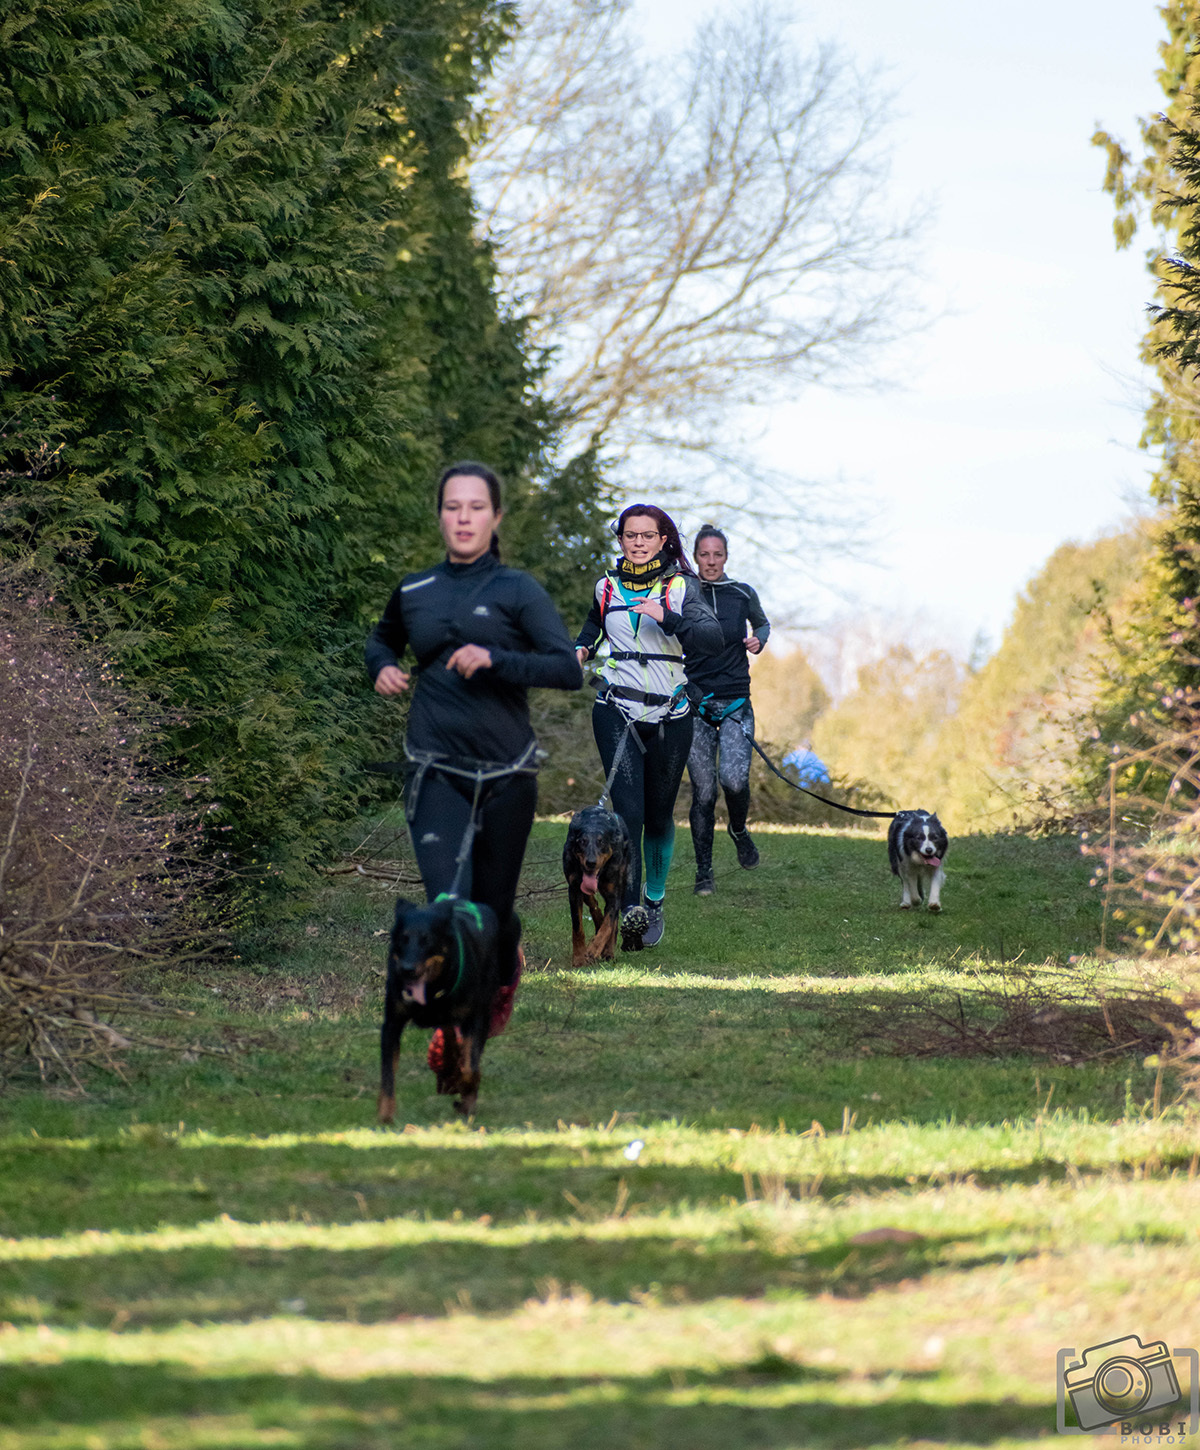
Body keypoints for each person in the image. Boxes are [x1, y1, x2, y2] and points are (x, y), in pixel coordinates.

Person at [365, 462, 582, 1031]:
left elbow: (567, 668)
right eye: (453, 506)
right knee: (449, 910)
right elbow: (382, 638)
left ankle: (504, 971)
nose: (464, 517)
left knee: (493, 914)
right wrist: (382, 665)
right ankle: (454, 1032)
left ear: (496, 517)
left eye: (476, 507)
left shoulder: (518, 590)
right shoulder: (415, 589)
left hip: (508, 776)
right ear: (440, 516)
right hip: (434, 768)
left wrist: (495, 660)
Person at [574, 504, 722, 950]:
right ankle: (630, 909)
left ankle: (653, 900)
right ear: (620, 539)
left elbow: (713, 640)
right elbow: (594, 623)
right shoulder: (606, 586)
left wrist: (666, 617)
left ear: (663, 540)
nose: (638, 542)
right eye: (630, 535)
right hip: (616, 708)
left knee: (657, 816)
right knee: (628, 815)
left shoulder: (681, 586)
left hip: (669, 715)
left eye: (647, 535)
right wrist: (582, 648)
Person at [685, 524, 771, 895]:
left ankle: (738, 829)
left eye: (717, 554)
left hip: (736, 701)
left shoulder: (742, 592)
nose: (711, 561)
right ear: (695, 557)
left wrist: (759, 640)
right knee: (704, 792)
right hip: (695, 704)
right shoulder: (682, 592)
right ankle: (704, 872)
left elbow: (763, 624)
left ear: (726, 557)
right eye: (704, 554)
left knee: (733, 781)